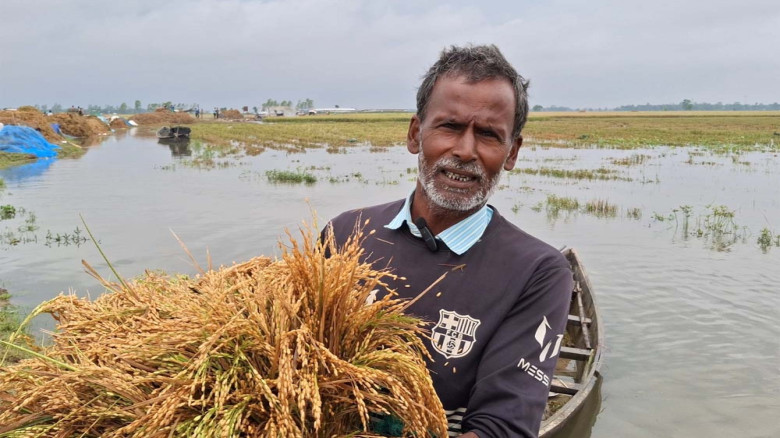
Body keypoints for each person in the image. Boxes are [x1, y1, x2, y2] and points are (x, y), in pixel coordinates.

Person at [323, 45, 573, 438]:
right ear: (414, 134)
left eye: (489, 135)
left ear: (512, 153)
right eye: (449, 127)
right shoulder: (345, 233)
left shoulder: (536, 273)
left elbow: (502, 427)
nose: (465, 151)